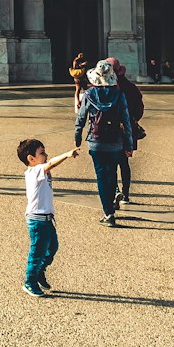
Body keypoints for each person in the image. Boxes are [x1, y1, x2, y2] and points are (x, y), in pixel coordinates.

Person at [17, 138, 80, 297]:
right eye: (42, 153)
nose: (45, 155)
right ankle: (29, 281)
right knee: (37, 252)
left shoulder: (41, 173)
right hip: (37, 220)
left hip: (47, 218)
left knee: (53, 247)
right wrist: (66, 155)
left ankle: (39, 271)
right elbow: (51, 163)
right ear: (31, 159)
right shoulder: (33, 172)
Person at [74, 58, 133, 226]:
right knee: (111, 173)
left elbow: (81, 118)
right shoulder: (119, 94)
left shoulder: (90, 94)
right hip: (115, 141)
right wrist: (128, 145)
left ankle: (108, 212)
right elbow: (126, 122)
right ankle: (112, 202)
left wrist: (77, 137)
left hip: (95, 140)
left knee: (101, 176)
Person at [105, 56, 145, 207]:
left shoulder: (106, 88)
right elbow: (140, 109)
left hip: (110, 130)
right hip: (127, 129)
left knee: (111, 163)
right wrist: (132, 119)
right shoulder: (131, 87)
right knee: (124, 162)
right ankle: (126, 194)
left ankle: (115, 191)